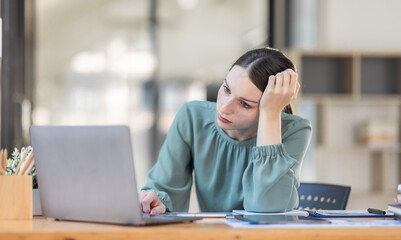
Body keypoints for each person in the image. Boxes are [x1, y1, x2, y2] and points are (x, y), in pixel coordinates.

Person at [140, 47, 312, 214]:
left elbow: (266, 207)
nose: (224, 107)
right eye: (226, 89)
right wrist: (156, 200)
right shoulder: (192, 117)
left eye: (245, 104)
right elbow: (164, 187)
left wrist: (271, 114)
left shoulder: (294, 130)